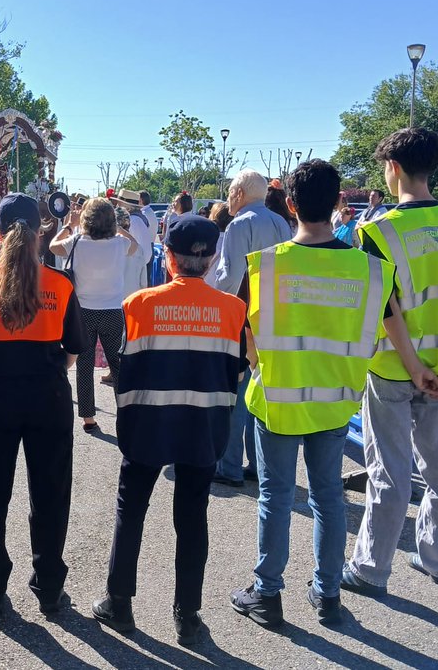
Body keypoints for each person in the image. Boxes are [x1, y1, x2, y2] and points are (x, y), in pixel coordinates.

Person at [229, 160, 435, 627]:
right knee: (328, 498)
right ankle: (327, 595)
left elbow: (246, 336)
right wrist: (419, 371)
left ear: (292, 206)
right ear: (339, 202)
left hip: (278, 401)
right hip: (336, 400)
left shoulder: (264, 266)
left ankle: (267, 592)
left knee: (275, 498)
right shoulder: (370, 270)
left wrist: (257, 365)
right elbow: (393, 324)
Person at [91, 216, 245, 646]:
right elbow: (237, 368)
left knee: (131, 508)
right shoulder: (233, 310)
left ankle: (118, 603)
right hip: (203, 426)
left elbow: (122, 366)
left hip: (148, 423)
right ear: (212, 257)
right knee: (193, 518)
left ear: (170, 257)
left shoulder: (138, 303)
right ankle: (188, 615)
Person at [343, 127, 438, 596]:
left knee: (389, 469)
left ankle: (370, 569)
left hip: (392, 368)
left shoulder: (376, 231)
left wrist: (413, 364)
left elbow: (386, 310)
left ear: (393, 168)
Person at [0, 193, 85, 618]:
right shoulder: (60, 284)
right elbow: (74, 350)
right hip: (47, 397)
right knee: (50, 494)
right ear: (40, 233)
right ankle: (49, 585)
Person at [209, 169, 294, 487]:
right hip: (274, 316)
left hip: (241, 319)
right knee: (262, 393)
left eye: (231, 191)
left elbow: (229, 277)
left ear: (241, 193)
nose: (229, 197)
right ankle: (258, 464)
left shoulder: (239, 225)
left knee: (235, 394)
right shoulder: (280, 222)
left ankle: (229, 466)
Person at [49, 198, 140, 433]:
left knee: (85, 365)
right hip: (112, 310)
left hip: (84, 311)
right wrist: (117, 226)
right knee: (118, 365)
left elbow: (52, 246)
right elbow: (135, 245)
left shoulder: (77, 242)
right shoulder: (119, 243)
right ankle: (126, 412)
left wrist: (70, 225)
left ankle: (88, 416)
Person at [112, 189, 155, 293]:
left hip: (130, 274)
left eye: (120, 202)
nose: (117, 205)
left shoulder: (133, 221)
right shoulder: (138, 219)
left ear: (127, 205)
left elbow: (141, 253)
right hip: (133, 272)